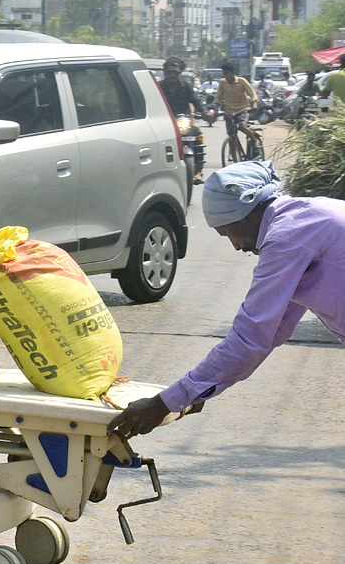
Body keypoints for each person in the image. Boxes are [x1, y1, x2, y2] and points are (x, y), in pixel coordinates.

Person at [109, 161, 345, 438]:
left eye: (227, 232)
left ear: (244, 214)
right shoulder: (301, 217)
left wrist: (164, 403)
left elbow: (251, 337)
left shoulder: (287, 237)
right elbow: (272, 330)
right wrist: (198, 389)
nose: (236, 246)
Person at [214, 61, 261, 155]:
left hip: (242, 109)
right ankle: (234, 153)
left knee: (241, 126)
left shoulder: (241, 81)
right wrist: (215, 109)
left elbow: (252, 93)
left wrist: (255, 103)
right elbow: (218, 97)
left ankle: (254, 140)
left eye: (226, 73)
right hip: (229, 112)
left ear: (232, 73)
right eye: (224, 73)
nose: (225, 75)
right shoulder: (223, 83)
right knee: (231, 134)